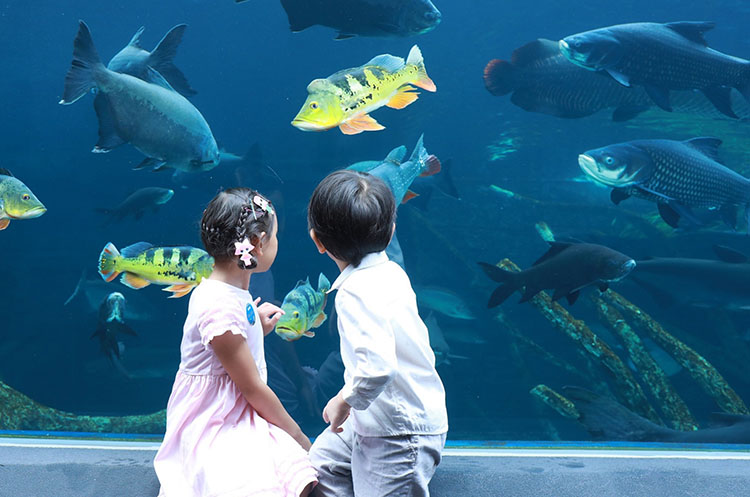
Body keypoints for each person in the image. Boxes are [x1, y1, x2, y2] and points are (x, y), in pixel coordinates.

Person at [154, 187, 317, 497]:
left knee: (295, 476)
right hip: (213, 419)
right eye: (276, 236)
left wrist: (256, 325)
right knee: (270, 476)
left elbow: (229, 343)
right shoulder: (219, 308)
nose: (277, 243)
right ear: (257, 244)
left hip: (234, 407)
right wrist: (298, 434)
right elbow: (251, 386)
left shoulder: (227, 292)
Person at [306, 170, 449, 497]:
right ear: (391, 232)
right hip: (375, 417)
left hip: (399, 434)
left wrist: (343, 399)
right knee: (321, 467)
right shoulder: (392, 273)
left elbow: (378, 367)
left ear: (317, 240)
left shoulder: (355, 292)